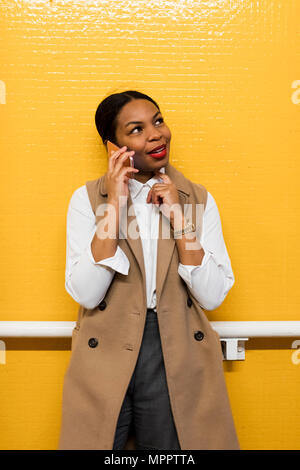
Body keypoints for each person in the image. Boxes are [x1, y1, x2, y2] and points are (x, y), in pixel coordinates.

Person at [58, 90, 240, 450]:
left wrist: (179, 219)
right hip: (105, 348)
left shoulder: (196, 197)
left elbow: (213, 295)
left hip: (174, 347)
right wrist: (115, 205)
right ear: (114, 148)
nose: (156, 134)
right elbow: (87, 294)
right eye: (137, 129)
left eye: (158, 121)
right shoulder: (87, 199)